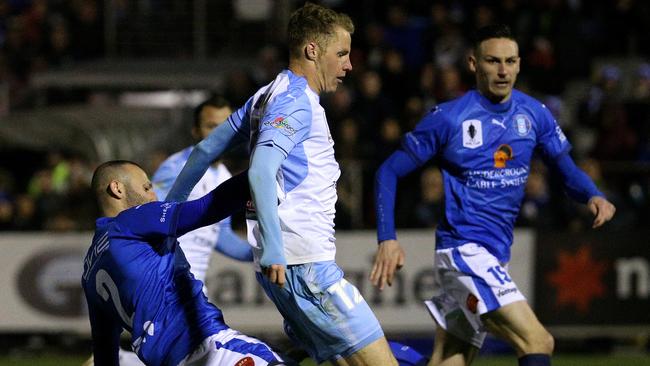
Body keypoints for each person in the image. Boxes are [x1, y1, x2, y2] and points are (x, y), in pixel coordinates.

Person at [166, 3, 398, 365]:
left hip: (287, 268)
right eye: (342, 54)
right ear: (312, 50)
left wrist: (171, 212)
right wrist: (274, 247)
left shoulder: (265, 96)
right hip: (306, 267)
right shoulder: (295, 102)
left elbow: (204, 150)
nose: (349, 65)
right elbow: (260, 170)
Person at [371, 24, 616, 366]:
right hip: (464, 253)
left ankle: (359, 351)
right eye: (493, 61)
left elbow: (565, 167)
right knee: (538, 340)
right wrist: (387, 238)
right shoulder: (448, 118)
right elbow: (388, 172)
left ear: (519, 64)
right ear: (473, 64)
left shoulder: (534, 114)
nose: (503, 70)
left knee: (450, 361)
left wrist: (593, 195)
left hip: (493, 254)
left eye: (510, 61)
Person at [81, 160, 283, 366]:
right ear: (117, 188)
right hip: (210, 348)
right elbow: (206, 208)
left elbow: (105, 352)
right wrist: (264, 169)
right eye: (146, 187)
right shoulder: (131, 221)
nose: (154, 196)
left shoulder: (90, 269)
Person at [152, 95, 253, 286]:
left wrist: (260, 254)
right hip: (167, 282)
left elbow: (220, 235)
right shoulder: (176, 167)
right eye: (211, 126)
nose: (221, 133)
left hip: (194, 282)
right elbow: (149, 218)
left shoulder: (223, 175)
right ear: (196, 131)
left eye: (226, 125)